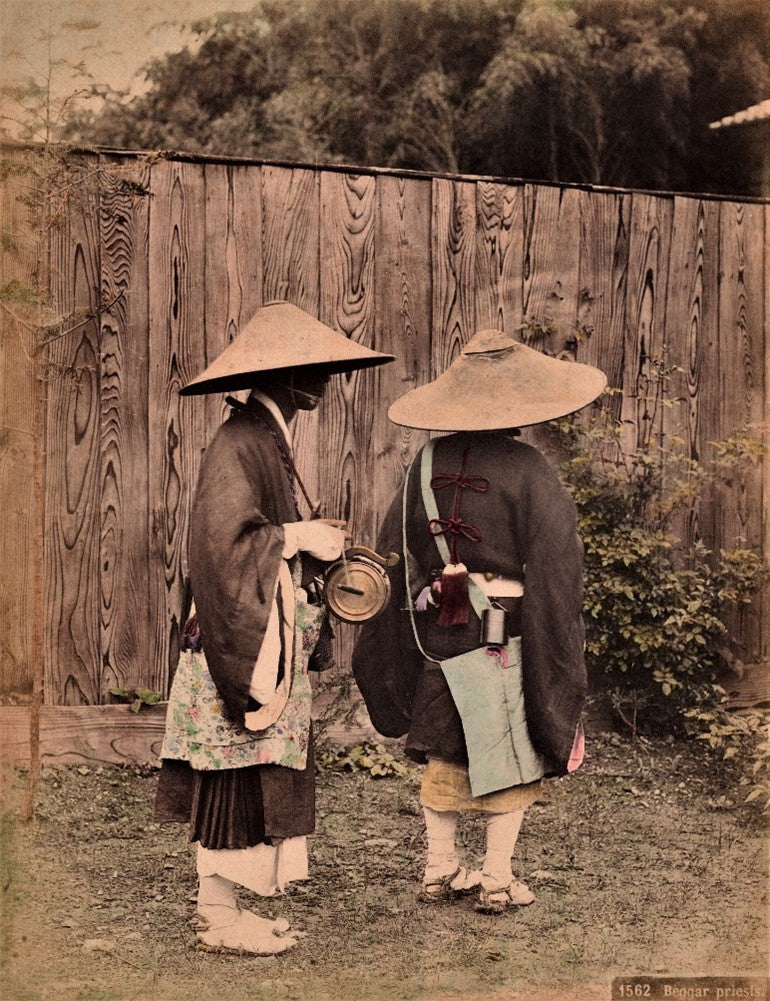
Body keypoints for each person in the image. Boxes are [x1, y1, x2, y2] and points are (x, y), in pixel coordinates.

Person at [154, 300, 393, 953]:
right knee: (234, 767)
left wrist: (309, 541)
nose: (325, 381)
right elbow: (221, 541)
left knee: (251, 768)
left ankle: (224, 907)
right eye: (314, 370)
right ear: (286, 378)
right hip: (242, 637)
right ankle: (219, 915)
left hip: (264, 629)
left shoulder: (268, 436)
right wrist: (295, 535)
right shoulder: (242, 439)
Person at [352, 329, 606, 914]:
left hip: (443, 628)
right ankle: (495, 879)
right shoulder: (530, 470)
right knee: (507, 748)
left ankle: (439, 870)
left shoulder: (424, 465)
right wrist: (558, 635)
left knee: (445, 746)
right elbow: (558, 564)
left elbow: (397, 548)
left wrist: (428, 592)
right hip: (505, 630)